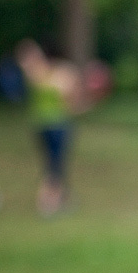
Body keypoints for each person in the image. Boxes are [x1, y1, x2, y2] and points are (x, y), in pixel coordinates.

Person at [14, 39, 84, 217]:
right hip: (58, 124)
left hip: (40, 125)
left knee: (53, 163)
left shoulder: (36, 74)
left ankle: (63, 198)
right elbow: (70, 100)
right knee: (55, 165)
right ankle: (47, 202)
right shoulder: (60, 74)